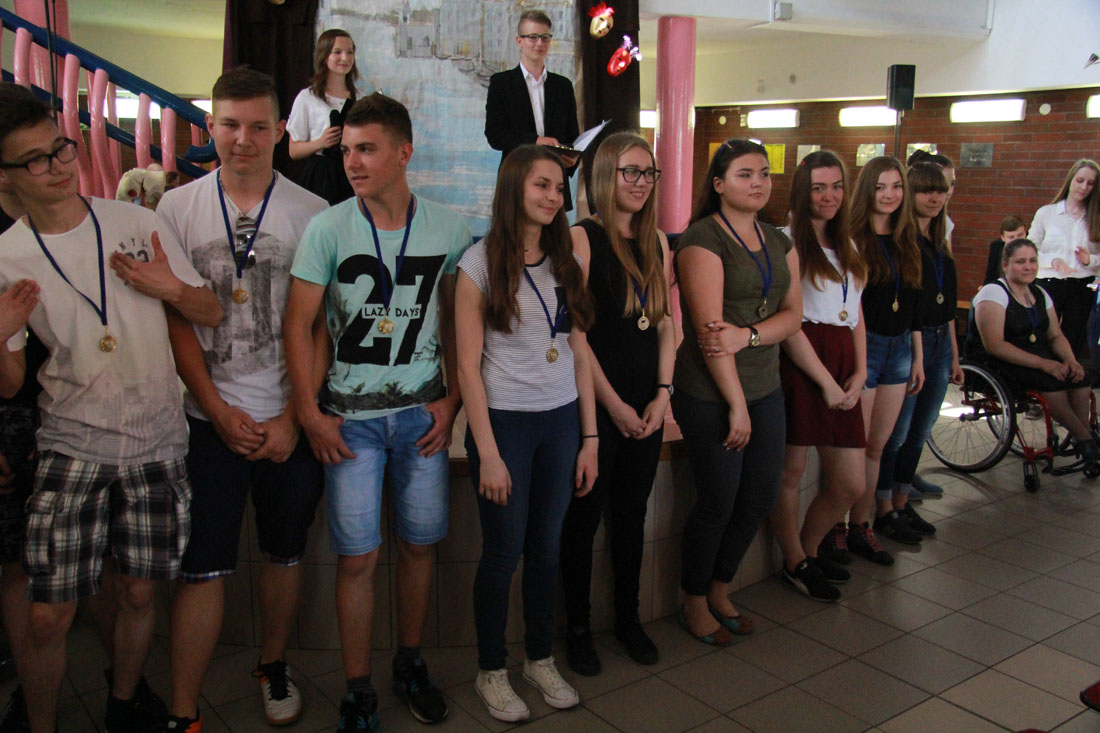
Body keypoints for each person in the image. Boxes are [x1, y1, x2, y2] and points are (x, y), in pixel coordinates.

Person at [0, 81, 222, 733]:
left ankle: (123, 703)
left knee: (138, 590)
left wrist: (169, 286)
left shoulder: (136, 223)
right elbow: (10, 384)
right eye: (36, 160)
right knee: (48, 612)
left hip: (157, 439)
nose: (58, 166)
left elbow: (209, 310)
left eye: (61, 148)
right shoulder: (7, 256)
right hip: (72, 443)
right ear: (6, 175)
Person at [284, 92, 468, 731]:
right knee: (357, 558)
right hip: (350, 421)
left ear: (404, 153)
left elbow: (457, 323)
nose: (353, 162)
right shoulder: (329, 227)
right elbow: (298, 325)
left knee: (418, 548)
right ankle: (358, 688)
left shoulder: (448, 228)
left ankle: (409, 663)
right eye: (348, 150)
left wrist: (453, 399)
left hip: (421, 418)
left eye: (367, 149)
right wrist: (308, 412)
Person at [158, 68, 328, 733]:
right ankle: (183, 708)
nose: (243, 139)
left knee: (285, 552)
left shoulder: (312, 213)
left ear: (281, 131)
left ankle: (272, 664)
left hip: (288, 417)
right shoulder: (176, 209)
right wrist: (215, 408)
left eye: (259, 126)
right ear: (210, 127)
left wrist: (294, 415)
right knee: (202, 566)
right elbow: (178, 321)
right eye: (229, 124)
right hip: (206, 419)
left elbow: (321, 327)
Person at [455, 144, 597, 722]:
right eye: (541, 185)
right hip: (506, 425)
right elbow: (467, 368)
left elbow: (579, 352)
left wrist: (590, 439)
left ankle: (539, 658)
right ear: (514, 186)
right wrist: (488, 453)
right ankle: (491, 669)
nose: (552, 197)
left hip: (560, 420)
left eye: (559, 188)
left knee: (546, 548)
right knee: (504, 551)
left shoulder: (566, 260)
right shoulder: (479, 264)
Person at [673, 139, 801, 644]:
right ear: (719, 184)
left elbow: (793, 317)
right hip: (712, 393)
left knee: (760, 496)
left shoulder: (778, 240)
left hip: (765, 386)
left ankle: (720, 586)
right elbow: (711, 336)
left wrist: (748, 335)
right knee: (718, 501)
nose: (758, 183)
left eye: (764, 173)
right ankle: (693, 598)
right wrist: (736, 405)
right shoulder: (702, 239)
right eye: (745, 174)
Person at [558, 133, 672, 673]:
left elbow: (665, 325)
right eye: (630, 171)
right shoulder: (581, 238)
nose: (641, 182)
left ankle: (628, 617)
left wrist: (662, 396)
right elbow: (576, 337)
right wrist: (615, 407)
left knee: (631, 516)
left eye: (648, 173)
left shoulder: (658, 241)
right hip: (598, 406)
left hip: (648, 404)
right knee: (583, 520)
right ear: (605, 175)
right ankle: (578, 628)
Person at [769, 151, 866, 603]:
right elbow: (790, 322)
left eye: (836, 186)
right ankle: (795, 560)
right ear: (802, 191)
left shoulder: (849, 245)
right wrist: (824, 380)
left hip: (843, 359)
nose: (829, 196)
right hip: (803, 359)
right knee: (789, 471)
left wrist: (860, 371)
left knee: (850, 482)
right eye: (818, 188)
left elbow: (855, 315)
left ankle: (809, 549)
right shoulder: (786, 241)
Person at [820, 156, 924, 566]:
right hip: (865, 347)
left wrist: (917, 356)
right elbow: (849, 307)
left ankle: (862, 526)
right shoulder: (852, 238)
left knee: (878, 446)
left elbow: (912, 306)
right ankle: (835, 527)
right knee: (853, 445)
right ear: (867, 191)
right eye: (880, 187)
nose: (890, 194)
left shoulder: (907, 238)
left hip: (899, 349)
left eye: (896, 186)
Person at [874, 162, 963, 543]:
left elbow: (949, 307)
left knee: (921, 431)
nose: (934, 197)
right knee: (897, 433)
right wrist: (919, 355)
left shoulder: (941, 240)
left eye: (940, 190)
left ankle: (901, 500)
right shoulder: (903, 240)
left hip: (941, 340)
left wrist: (955, 355)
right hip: (914, 340)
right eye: (926, 190)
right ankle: (883, 508)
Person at [971, 238, 1099, 461]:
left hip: (1036, 354)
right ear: (1005, 265)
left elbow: (1055, 335)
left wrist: (1070, 360)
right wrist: (1045, 364)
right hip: (999, 360)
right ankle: (1086, 440)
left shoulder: (1039, 293)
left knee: (1079, 378)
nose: (1028, 267)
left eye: (1032, 261)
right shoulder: (993, 293)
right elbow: (995, 345)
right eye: (1020, 262)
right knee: (1051, 384)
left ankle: (1083, 437)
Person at [485, 9, 580, 210]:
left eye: (545, 37)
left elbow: (572, 136)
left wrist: (571, 158)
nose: (539, 43)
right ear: (519, 41)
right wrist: (536, 141)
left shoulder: (563, 86)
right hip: (517, 179)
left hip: (554, 183)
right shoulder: (501, 83)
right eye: (533, 37)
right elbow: (495, 135)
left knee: (555, 232)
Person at [1030, 159, 1100, 357]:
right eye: (1080, 180)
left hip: (1081, 285)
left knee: (1073, 338)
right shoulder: (1047, 213)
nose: (1084, 187)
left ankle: (1068, 371)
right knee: (1043, 333)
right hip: (1049, 281)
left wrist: (1089, 260)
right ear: (1070, 180)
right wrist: (1052, 261)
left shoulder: (1095, 217)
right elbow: (1029, 249)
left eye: (1090, 183)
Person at [287, 28, 360, 205]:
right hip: (320, 176)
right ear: (324, 55)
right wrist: (321, 142)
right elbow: (293, 151)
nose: (345, 58)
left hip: (351, 172)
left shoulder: (360, 98)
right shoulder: (308, 97)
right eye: (337, 52)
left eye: (350, 52)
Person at [984, 215, 1027, 285]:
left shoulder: (1032, 247)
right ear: (1002, 237)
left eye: (1020, 235)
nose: (1016, 240)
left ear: (1025, 233)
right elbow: (991, 273)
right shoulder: (996, 247)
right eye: (1011, 237)